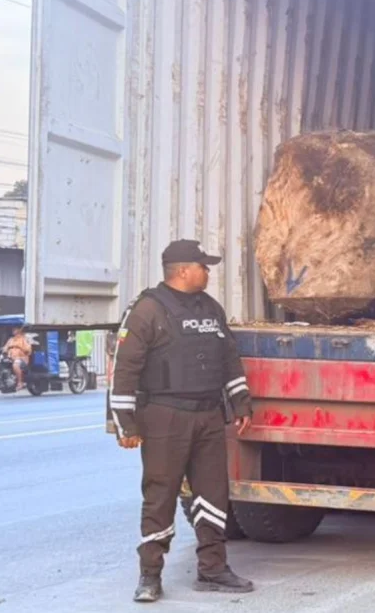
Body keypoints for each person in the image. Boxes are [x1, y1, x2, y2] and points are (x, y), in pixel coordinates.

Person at [109, 239, 255, 603]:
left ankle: (213, 569)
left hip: (208, 414)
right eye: (203, 266)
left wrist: (241, 403)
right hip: (164, 416)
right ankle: (150, 575)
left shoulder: (211, 308)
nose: (208, 272)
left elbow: (229, 360)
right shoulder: (146, 310)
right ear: (183, 270)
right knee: (160, 494)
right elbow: (124, 370)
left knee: (213, 493)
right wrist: (125, 424)